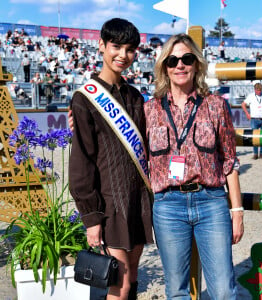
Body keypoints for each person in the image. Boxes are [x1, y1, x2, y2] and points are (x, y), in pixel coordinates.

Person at [144, 33, 244, 299]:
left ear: (197, 64)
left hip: (211, 202)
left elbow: (229, 160)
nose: (180, 65)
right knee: (176, 291)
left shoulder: (216, 105)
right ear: (164, 66)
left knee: (223, 291)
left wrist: (237, 211)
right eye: (172, 60)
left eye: (187, 58)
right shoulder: (149, 109)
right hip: (168, 205)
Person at [69, 18, 153, 300]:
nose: (123, 55)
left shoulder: (136, 97)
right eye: (116, 46)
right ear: (102, 46)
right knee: (120, 284)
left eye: (130, 49)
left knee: (134, 276)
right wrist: (91, 218)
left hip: (138, 202)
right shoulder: (85, 99)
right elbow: (82, 162)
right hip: (110, 205)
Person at [241, 82, 262, 159]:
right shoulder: (251, 96)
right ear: (255, 90)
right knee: (254, 137)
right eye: (257, 90)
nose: (259, 92)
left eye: (260, 90)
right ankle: (255, 153)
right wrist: (247, 113)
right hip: (254, 119)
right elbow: (243, 104)